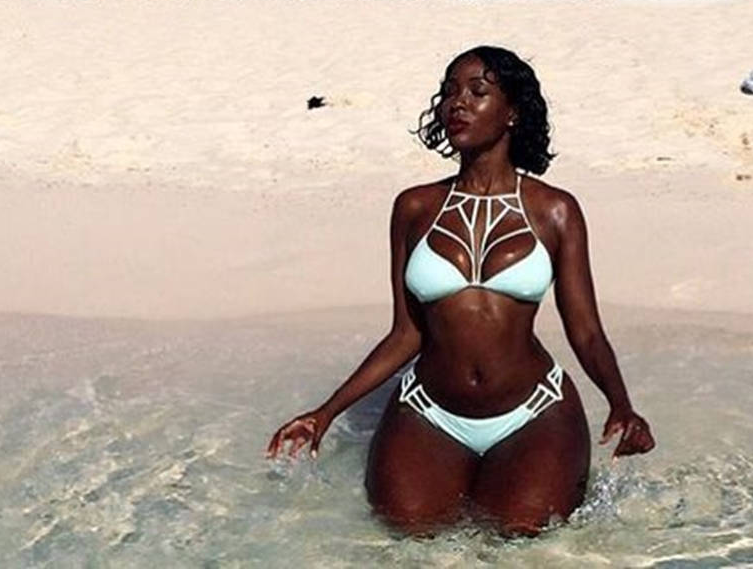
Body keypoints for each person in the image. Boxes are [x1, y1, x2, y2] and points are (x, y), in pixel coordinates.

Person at [267, 46, 654, 535]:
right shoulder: (414, 207)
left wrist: (621, 404)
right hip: (428, 413)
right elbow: (405, 334)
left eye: (477, 91)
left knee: (522, 539)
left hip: (534, 413)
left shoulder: (556, 211)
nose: (457, 103)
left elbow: (586, 331)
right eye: (450, 91)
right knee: (405, 538)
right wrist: (324, 414)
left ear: (512, 112)